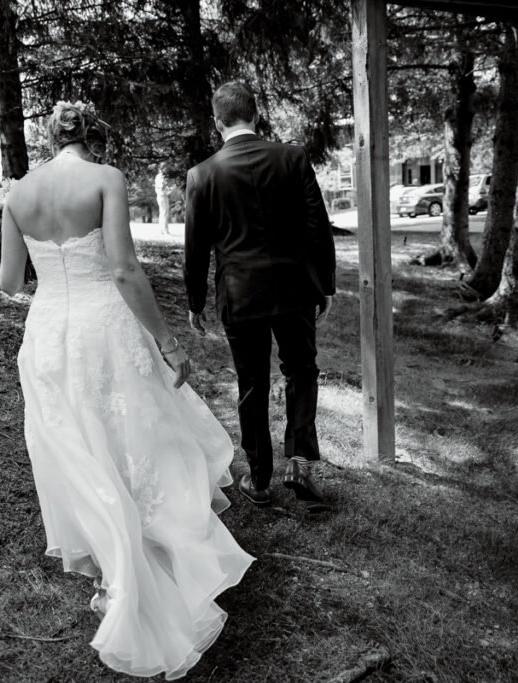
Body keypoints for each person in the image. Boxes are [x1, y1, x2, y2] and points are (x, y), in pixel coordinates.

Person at [0, 100, 254, 680]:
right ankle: (150, 561)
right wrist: (168, 342)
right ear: (93, 136)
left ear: (49, 135)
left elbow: (11, 284)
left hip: (47, 336)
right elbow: (124, 269)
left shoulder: (16, 194)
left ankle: (115, 568)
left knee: (80, 450)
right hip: (102, 330)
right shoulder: (106, 179)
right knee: (135, 440)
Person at [184, 81, 336, 513]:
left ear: (218, 123)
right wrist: (322, 283)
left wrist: (195, 301)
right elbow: (317, 226)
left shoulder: (202, 175)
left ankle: (261, 477)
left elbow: (195, 249)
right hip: (294, 288)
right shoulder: (292, 158)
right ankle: (301, 459)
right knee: (302, 369)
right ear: (256, 114)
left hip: (240, 293)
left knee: (252, 383)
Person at [155, 163, 171, 235]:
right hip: (161, 196)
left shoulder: (162, 176)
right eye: (165, 168)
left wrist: (169, 189)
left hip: (164, 196)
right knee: (164, 213)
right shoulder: (160, 177)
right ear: (161, 168)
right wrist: (166, 186)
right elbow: (161, 186)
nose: (166, 169)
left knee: (164, 213)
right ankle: (164, 231)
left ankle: (164, 230)